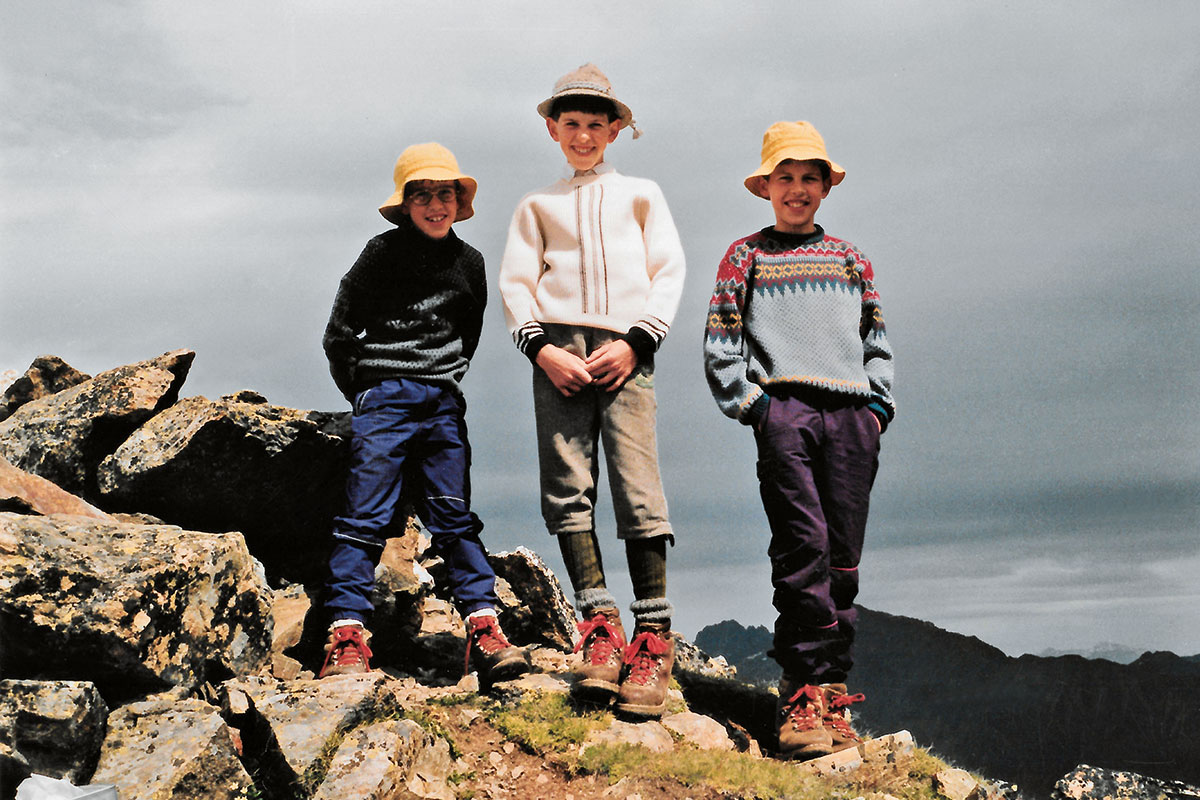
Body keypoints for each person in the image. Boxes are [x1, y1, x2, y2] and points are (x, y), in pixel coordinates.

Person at [498, 64, 686, 718]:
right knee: (566, 480)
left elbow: (668, 270)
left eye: (595, 124)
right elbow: (517, 283)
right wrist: (541, 349)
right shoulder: (536, 206)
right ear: (553, 129)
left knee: (638, 480)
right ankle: (599, 627)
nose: (583, 135)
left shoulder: (642, 195)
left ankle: (653, 637)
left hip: (626, 351)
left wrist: (639, 341)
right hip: (559, 353)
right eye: (571, 124)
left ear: (615, 130)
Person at [702, 121, 895, 759]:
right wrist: (757, 407)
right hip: (784, 412)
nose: (797, 189)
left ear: (823, 188)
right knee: (801, 546)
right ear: (766, 188)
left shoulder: (850, 258)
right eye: (784, 177)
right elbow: (722, 342)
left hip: (850, 418)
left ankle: (831, 687)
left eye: (808, 178)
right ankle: (800, 692)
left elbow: (876, 338)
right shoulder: (745, 255)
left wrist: (876, 407)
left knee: (843, 555)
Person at [319, 142, 530, 687]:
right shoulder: (380, 254)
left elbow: (469, 332)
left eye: (445, 195)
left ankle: (484, 628)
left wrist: (446, 378)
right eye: (423, 196)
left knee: (453, 515)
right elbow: (341, 329)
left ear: (459, 203)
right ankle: (346, 634)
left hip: (441, 402)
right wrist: (363, 392)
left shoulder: (470, 264)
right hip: (384, 395)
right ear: (405, 204)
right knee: (364, 515)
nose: (436, 205)